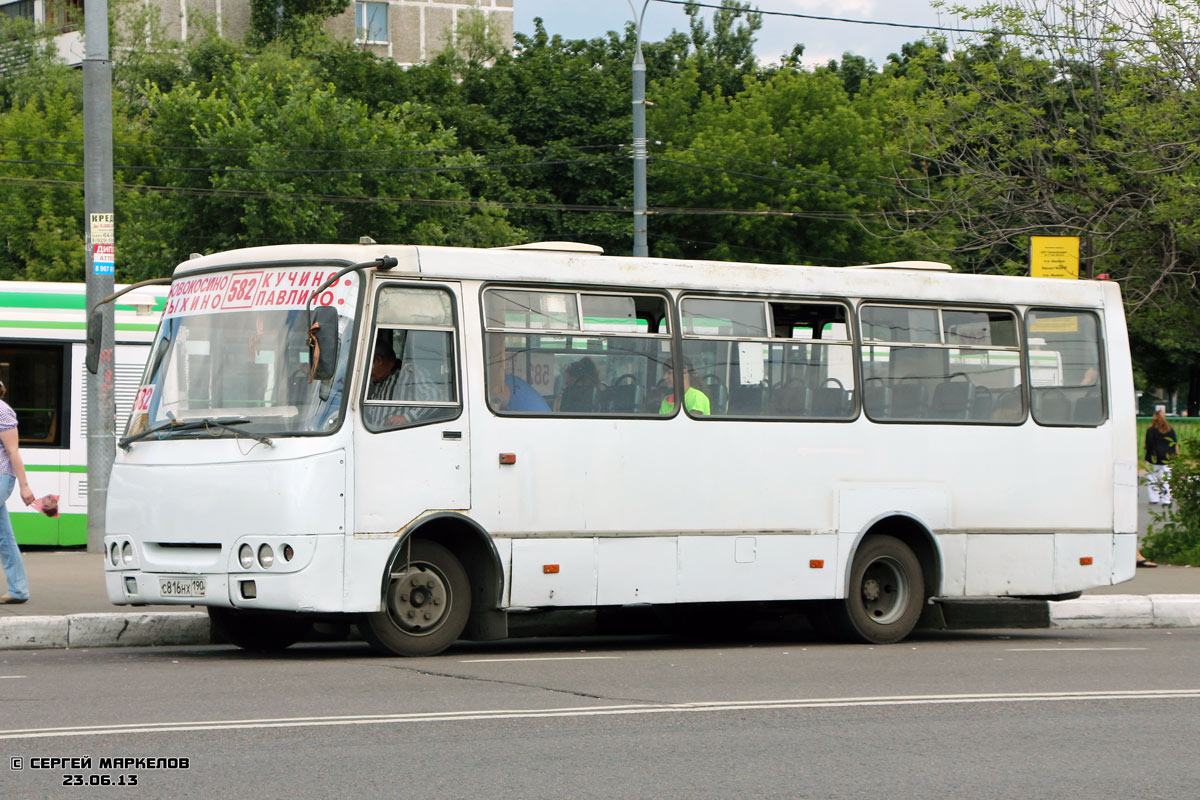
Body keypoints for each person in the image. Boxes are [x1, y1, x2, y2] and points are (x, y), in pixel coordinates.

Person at [0, 380, 35, 604]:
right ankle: (18, 589)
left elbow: (13, 452)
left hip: (1, 476)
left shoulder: (3, 411)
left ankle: (19, 588)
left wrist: (24, 486)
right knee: (4, 537)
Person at [366, 331, 446, 428]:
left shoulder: (409, 373)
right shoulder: (380, 382)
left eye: (367, 364)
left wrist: (407, 418)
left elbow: (436, 397)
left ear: (378, 360)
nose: (367, 371)